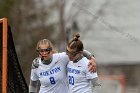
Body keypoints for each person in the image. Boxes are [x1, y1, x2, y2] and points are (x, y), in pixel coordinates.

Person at [29, 38, 96, 93]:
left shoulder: (61, 58)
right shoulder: (36, 64)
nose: (44, 53)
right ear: (38, 51)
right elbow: (33, 84)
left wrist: (91, 58)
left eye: (47, 50)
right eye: (41, 51)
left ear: (51, 50)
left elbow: (78, 51)